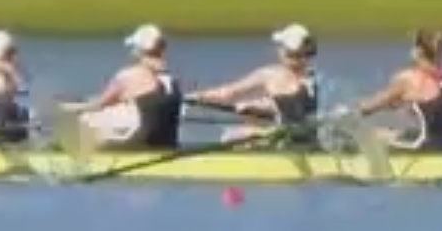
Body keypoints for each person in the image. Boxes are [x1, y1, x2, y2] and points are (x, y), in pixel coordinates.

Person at [190, 24, 322, 146]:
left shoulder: (270, 75)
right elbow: (295, 109)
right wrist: (255, 107)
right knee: (254, 125)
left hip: (283, 142)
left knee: (227, 136)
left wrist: (196, 96)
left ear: (286, 51)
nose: (278, 50)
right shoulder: (314, 77)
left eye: (280, 46)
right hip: (310, 143)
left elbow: (228, 93)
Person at [64, 24, 183, 150]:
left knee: (79, 125)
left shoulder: (127, 76)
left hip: (140, 145)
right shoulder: (172, 80)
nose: (130, 50)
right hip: (168, 145)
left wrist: (70, 108)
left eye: (132, 47)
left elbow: (98, 105)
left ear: (139, 50)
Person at [355, 29, 442, 150]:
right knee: (391, 133)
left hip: (427, 152)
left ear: (416, 51)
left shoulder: (408, 79)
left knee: (368, 134)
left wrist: (352, 107)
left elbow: (367, 108)